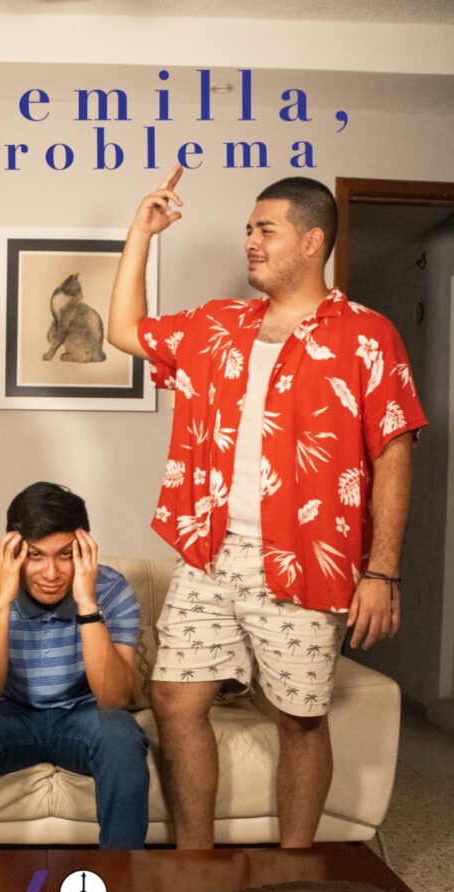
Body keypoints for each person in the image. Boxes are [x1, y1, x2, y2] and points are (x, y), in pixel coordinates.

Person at [108, 167, 427, 850]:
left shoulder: (367, 336)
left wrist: (382, 571)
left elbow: (393, 455)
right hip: (209, 552)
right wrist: (141, 233)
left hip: (307, 559)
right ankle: (195, 863)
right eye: (249, 229)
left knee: (300, 719)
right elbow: (124, 329)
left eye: (265, 230)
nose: (250, 241)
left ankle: (294, 866)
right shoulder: (218, 325)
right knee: (174, 700)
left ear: (312, 242)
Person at [0, 482, 150, 849]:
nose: (51, 573)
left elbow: (114, 699)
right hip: (9, 716)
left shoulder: (112, 589)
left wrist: (87, 603)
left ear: (84, 549)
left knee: (121, 733)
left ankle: (121, 873)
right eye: (35, 556)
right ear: (13, 551)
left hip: (82, 718)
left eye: (65, 555)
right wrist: (3, 601)